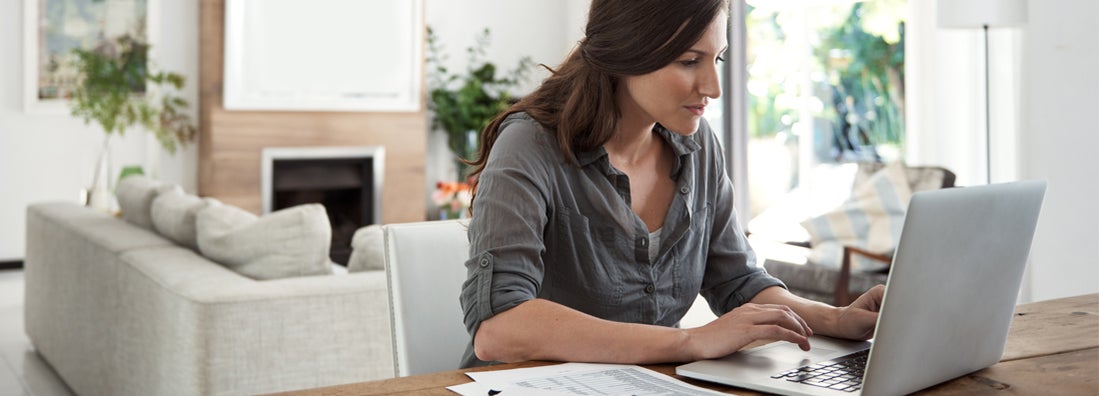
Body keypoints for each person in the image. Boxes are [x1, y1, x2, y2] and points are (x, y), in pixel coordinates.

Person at [459, 0, 884, 368]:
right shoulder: (529, 145)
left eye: (716, 58)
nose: (713, 87)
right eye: (688, 61)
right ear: (627, 52)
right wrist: (690, 341)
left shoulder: (699, 147)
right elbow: (499, 328)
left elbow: (736, 282)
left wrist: (835, 319)